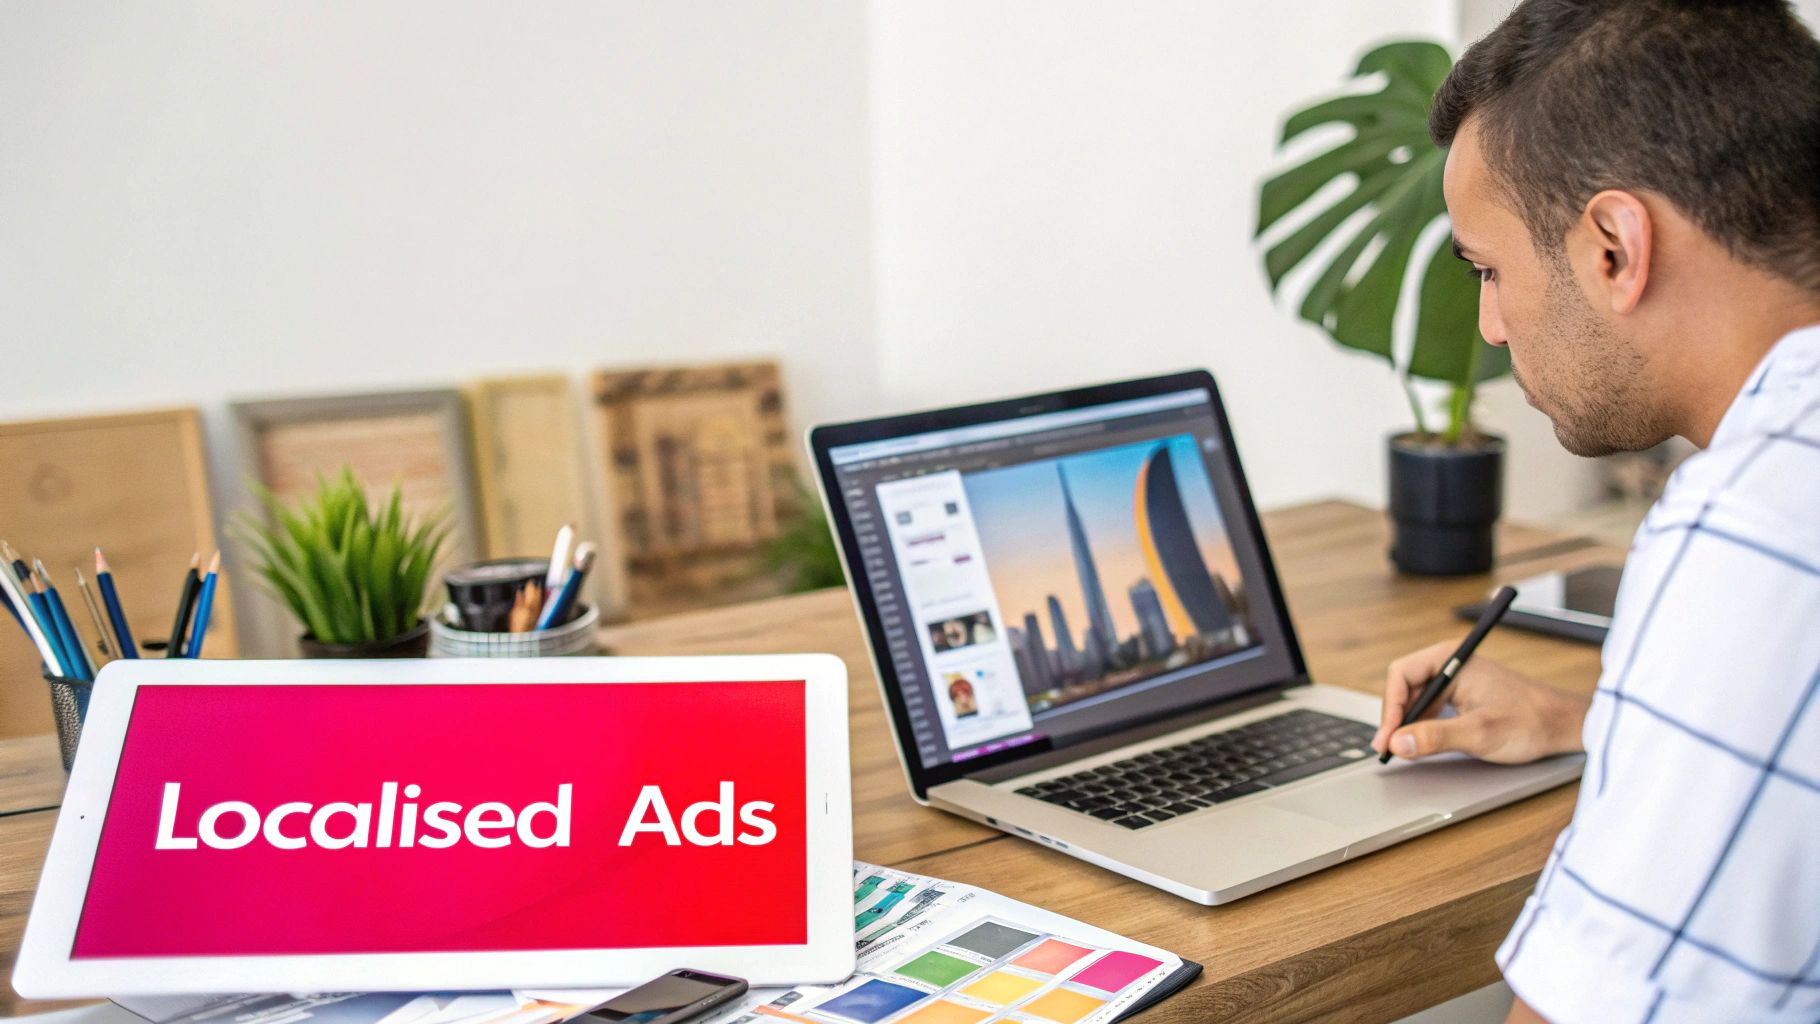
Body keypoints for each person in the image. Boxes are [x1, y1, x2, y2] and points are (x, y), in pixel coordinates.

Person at [1365, 1, 1820, 1021]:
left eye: (1489, 271)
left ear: (1613, 244)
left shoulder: (1752, 524)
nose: (1489, 327)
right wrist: (1605, 723)